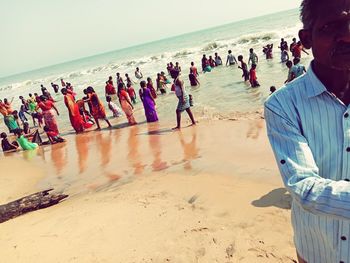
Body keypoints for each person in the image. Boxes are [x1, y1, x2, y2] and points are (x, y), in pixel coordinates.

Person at [265, 1, 350, 262]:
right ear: (306, 40)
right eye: (331, 27)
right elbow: (303, 186)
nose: (347, 35)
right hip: (318, 248)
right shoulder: (282, 105)